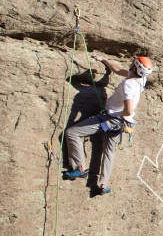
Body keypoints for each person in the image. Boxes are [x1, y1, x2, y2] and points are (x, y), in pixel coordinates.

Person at [64, 55, 153, 195]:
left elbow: (129, 109)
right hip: (125, 123)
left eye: (133, 63)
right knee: (109, 151)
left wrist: (116, 114)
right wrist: (103, 59)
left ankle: (79, 168)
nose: (130, 63)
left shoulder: (128, 84)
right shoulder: (141, 79)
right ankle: (103, 184)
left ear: (136, 67)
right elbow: (117, 70)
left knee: (72, 133)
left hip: (111, 119)